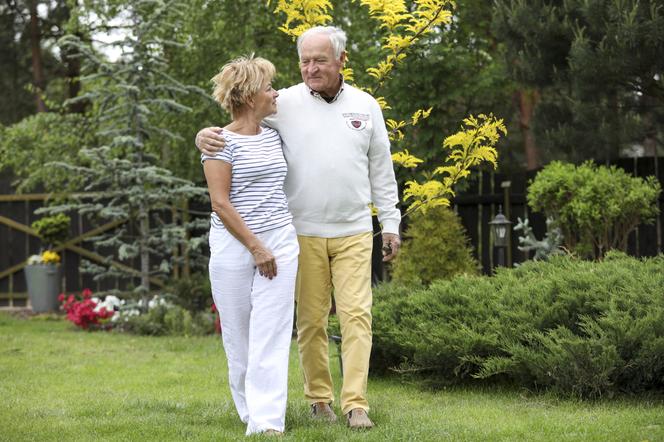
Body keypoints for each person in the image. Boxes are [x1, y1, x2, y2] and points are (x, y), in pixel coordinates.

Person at [196, 26, 401, 429]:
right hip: (300, 231)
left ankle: (356, 403)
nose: (310, 69)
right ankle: (319, 399)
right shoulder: (282, 102)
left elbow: (382, 168)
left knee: (358, 315)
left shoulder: (365, 105)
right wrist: (201, 136)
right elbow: (237, 129)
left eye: (320, 60)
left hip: (355, 228)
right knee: (310, 320)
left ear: (341, 60)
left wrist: (389, 222)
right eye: (304, 61)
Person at [202, 54, 299, 437]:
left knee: (272, 331)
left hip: (280, 240)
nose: (275, 93)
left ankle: (267, 422)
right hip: (234, 247)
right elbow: (220, 203)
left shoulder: (276, 134)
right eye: (268, 87)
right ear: (247, 96)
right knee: (239, 335)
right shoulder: (218, 142)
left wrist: (269, 246)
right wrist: (256, 248)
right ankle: (248, 411)